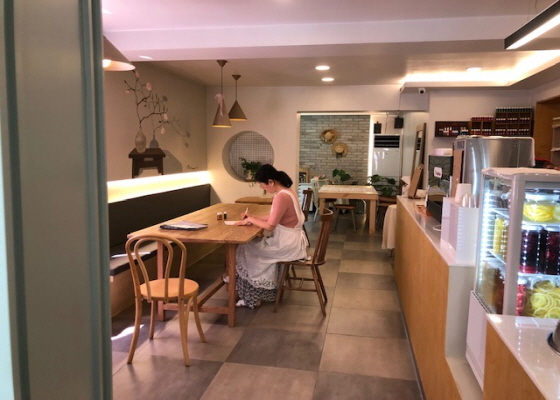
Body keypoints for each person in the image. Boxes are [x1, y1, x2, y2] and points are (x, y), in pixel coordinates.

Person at [234, 164, 308, 308]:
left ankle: (252, 296)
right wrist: (253, 217)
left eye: (263, 186)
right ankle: (245, 285)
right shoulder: (288, 191)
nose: (264, 189)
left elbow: (270, 226)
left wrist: (250, 220)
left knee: (246, 248)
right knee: (251, 246)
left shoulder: (281, 197)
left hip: (286, 245)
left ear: (271, 182)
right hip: (292, 241)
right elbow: (274, 217)